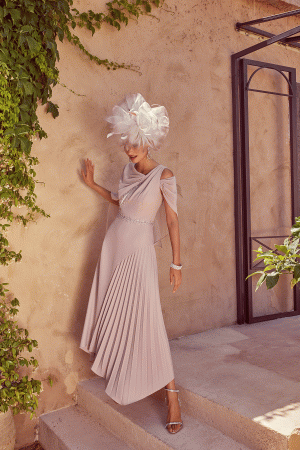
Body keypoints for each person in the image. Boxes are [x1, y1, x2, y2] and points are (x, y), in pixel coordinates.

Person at [79, 93, 183, 433]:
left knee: (147, 316)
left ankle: (171, 396)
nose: (129, 149)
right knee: (117, 310)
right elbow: (119, 201)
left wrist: (176, 264)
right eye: (126, 143)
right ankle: (124, 369)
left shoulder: (165, 175)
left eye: (135, 143)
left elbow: (171, 222)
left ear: (149, 141)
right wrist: (93, 184)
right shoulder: (126, 170)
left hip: (139, 250)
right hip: (115, 245)